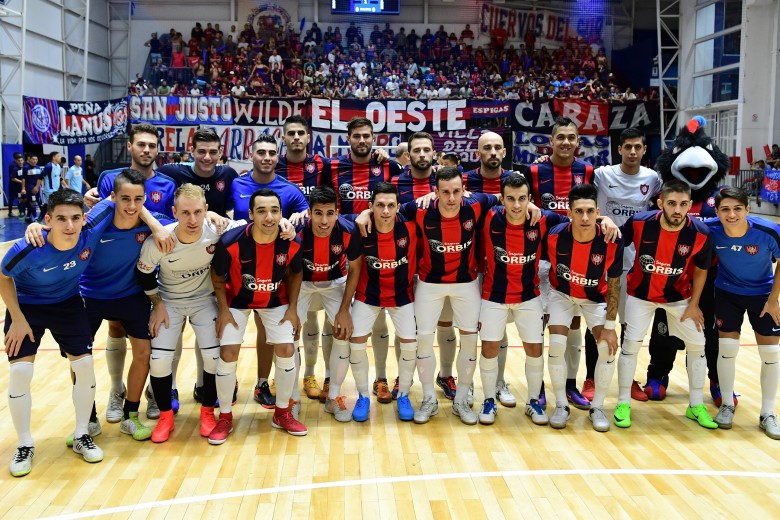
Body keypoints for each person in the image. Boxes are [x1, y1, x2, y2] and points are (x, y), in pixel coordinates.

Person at [23, 169, 172, 441]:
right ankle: (88, 420)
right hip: (89, 296)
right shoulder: (98, 218)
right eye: (124, 198)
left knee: (143, 353)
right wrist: (35, 224)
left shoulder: (151, 222)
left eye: (138, 199)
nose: (131, 206)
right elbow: (63, 223)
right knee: (80, 360)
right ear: (112, 197)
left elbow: (182, 225)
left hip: (131, 295)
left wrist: (212, 216)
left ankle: (130, 415)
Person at [1, 190, 115, 476]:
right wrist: (17, 318)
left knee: (85, 366)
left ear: (84, 218)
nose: (70, 226)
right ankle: (24, 444)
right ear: (47, 220)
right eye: (61, 219)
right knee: (20, 373)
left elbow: (117, 199)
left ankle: (81, 435)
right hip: (26, 307)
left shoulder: (90, 228)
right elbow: (3, 276)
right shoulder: (29, 247)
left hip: (68, 303)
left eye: (76, 218)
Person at [135, 184, 243, 443]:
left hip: (204, 300)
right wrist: (157, 304)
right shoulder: (159, 240)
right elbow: (143, 274)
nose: (192, 220)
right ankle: (165, 417)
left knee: (213, 359)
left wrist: (286, 223)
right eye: (185, 213)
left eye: (198, 212)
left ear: (206, 210)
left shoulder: (216, 230)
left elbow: (250, 225)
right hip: (168, 301)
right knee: (160, 361)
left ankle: (207, 412)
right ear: (174, 212)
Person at [615, 180, 717, 430]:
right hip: (640, 294)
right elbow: (615, 244)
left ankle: (695, 406)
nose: (677, 210)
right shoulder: (640, 222)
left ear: (690, 205)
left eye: (683, 204)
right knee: (630, 345)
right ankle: (623, 403)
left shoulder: (701, 233)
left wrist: (694, 304)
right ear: (660, 203)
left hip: (679, 297)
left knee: (698, 344)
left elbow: (702, 271)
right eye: (671, 204)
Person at [210, 188, 307, 443]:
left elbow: (296, 274)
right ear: (251, 214)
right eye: (261, 211)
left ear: (281, 214)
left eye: (274, 211)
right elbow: (218, 277)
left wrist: (294, 309)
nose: (269, 217)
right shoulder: (230, 242)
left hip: (276, 300)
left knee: (287, 349)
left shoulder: (291, 243)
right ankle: (225, 417)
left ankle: (282, 413)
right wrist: (222, 310)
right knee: (228, 353)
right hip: (236, 301)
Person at [580, 128, 662, 403]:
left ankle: (627, 380)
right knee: (599, 320)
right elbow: (573, 172)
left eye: (637, 147)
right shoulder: (602, 174)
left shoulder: (652, 179)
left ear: (644, 149)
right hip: (600, 258)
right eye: (627, 146)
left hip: (635, 261)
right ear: (619, 149)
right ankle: (591, 376)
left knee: (630, 325)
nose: (632, 152)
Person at [478, 174, 567, 426]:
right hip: (494, 295)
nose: (516, 205)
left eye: (522, 199)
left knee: (534, 350)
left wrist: (605, 221)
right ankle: (488, 399)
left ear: (530, 199)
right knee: (489, 349)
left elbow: (577, 222)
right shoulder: (489, 216)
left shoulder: (544, 219)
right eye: (510, 199)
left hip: (529, 295)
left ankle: (532, 402)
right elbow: (467, 198)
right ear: (501, 200)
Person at [229, 135, 308, 408]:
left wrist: (292, 223)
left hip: (271, 273)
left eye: (271, 153)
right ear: (251, 155)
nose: (266, 157)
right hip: (237, 270)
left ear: (278, 156)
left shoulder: (288, 189)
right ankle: (226, 381)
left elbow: (305, 213)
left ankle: (262, 382)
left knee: (265, 330)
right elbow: (217, 213)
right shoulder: (235, 183)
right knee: (227, 334)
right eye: (261, 152)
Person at [330, 117, 403, 403]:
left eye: (367, 136)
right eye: (357, 135)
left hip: (380, 251)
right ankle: (329, 380)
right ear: (348, 137)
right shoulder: (332, 167)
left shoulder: (388, 166)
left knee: (381, 319)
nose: (362, 140)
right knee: (333, 323)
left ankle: (381, 378)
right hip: (342, 251)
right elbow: (325, 204)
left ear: (374, 138)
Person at [525, 116, 595, 410]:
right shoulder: (534, 170)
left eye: (571, 137)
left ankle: (570, 384)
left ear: (578, 142)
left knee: (574, 322)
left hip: (578, 257)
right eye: (560, 137)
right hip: (541, 259)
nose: (566, 142)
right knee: (541, 325)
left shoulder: (588, 171)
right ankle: (539, 386)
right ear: (551, 141)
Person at [333, 183, 418, 422]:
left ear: (398, 207)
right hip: (368, 296)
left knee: (411, 345)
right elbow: (334, 215)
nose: (386, 211)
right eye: (379, 205)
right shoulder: (359, 228)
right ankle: (362, 396)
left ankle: (403, 394)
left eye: (391, 205)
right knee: (357, 343)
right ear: (370, 207)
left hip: (402, 296)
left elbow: (433, 203)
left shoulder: (411, 226)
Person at [543, 184, 623, 431]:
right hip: (561, 295)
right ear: (569, 213)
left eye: (591, 211)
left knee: (608, 348)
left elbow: (614, 284)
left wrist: (610, 326)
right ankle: (560, 405)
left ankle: (597, 406)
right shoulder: (555, 234)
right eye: (579, 211)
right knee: (556, 345)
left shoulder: (611, 239)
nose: (585, 217)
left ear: (598, 212)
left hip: (595, 298)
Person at [705, 187, 780, 438]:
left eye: (738, 208)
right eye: (725, 209)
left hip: (763, 296)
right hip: (727, 294)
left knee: (771, 353)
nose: (732, 214)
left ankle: (768, 413)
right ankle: (727, 404)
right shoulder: (710, 229)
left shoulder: (768, 231)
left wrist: (773, 300)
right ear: (717, 211)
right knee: (727, 350)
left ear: (748, 210)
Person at [463, 130, 519, 408]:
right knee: (471, 329)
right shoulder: (463, 180)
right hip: (469, 265)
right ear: (478, 153)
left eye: (498, 147)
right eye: (487, 148)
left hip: (504, 265)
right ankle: (470, 384)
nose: (493, 152)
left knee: (500, 328)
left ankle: (497, 381)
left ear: (505, 152)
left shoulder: (516, 180)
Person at [292, 185, 358, 418]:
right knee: (286, 335)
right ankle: (291, 398)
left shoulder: (349, 230)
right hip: (302, 284)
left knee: (343, 331)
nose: (324, 220)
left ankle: (334, 394)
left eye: (330, 213)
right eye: (318, 213)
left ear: (337, 213)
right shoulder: (295, 230)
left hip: (335, 282)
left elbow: (356, 269)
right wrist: (290, 308)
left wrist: (344, 310)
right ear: (308, 213)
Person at [158, 128, 239, 217]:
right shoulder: (172, 171)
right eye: (201, 152)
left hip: (218, 230)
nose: (207, 157)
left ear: (220, 153)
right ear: (192, 151)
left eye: (213, 152)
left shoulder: (228, 174)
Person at [37, 151, 63, 220]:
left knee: (47, 204)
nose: (60, 157)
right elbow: (40, 177)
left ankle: (39, 219)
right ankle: (53, 218)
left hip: (56, 189)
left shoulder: (58, 166)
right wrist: (37, 187)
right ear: (54, 157)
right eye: (58, 156)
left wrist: (64, 185)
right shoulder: (49, 166)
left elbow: (59, 177)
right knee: (54, 204)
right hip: (49, 189)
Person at [22, 154, 42, 223]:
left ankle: (28, 216)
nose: (35, 161)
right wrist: (23, 188)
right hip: (30, 187)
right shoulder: (26, 168)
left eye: (36, 159)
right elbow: (23, 179)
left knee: (36, 201)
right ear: (29, 159)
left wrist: (42, 187)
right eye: (33, 159)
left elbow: (40, 178)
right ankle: (35, 217)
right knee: (33, 202)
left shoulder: (38, 168)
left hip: (37, 187)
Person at [7, 152, 25, 218]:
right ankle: (10, 212)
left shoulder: (24, 166)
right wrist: (22, 182)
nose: (20, 162)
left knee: (21, 198)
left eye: (21, 160)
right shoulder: (13, 166)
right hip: (14, 186)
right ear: (15, 159)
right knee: (12, 198)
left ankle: (22, 212)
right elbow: (12, 178)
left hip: (21, 185)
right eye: (18, 160)